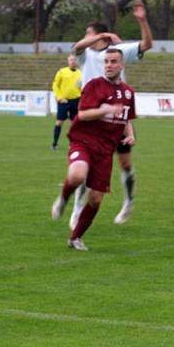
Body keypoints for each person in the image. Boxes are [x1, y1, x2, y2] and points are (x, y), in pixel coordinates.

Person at [69, 0, 152, 227]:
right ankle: (77, 209)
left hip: (117, 116)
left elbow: (147, 44)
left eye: (90, 33)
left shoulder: (119, 52)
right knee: (86, 166)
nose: (88, 38)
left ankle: (128, 202)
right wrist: (100, 35)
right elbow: (77, 45)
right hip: (94, 117)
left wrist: (142, 20)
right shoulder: (85, 55)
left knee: (125, 163)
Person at [51, 48, 136, 250]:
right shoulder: (93, 85)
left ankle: (75, 238)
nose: (108, 65)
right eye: (106, 61)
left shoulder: (128, 92)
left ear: (122, 65)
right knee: (78, 174)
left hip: (106, 149)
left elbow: (125, 116)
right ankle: (63, 199)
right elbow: (83, 114)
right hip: (84, 141)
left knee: (96, 199)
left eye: (113, 61)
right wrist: (104, 110)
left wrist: (129, 133)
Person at [51, 54, 82, 149]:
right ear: (68, 61)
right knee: (59, 122)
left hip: (76, 101)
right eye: (71, 60)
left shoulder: (81, 73)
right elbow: (55, 85)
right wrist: (59, 97)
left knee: (74, 124)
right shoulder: (62, 72)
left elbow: (82, 87)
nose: (73, 61)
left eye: (75, 60)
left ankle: (72, 144)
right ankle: (54, 144)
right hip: (63, 101)